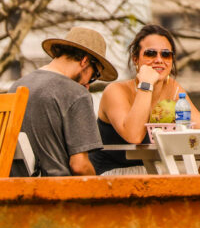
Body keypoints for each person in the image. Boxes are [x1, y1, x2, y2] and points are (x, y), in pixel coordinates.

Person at [90, 24, 200, 175]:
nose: (159, 60)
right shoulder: (115, 91)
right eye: (150, 54)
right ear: (135, 59)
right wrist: (146, 85)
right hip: (111, 176)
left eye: (166, 55)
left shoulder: (173, 90)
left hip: (152, 174)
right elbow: (134, 135)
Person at [9, 26, 119, 177]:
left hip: (16, 186)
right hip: (59, 187)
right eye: (95, 74)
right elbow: (80, 166)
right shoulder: (76, 93)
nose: (88, 84)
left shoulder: (17, 86)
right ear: (85, 61)